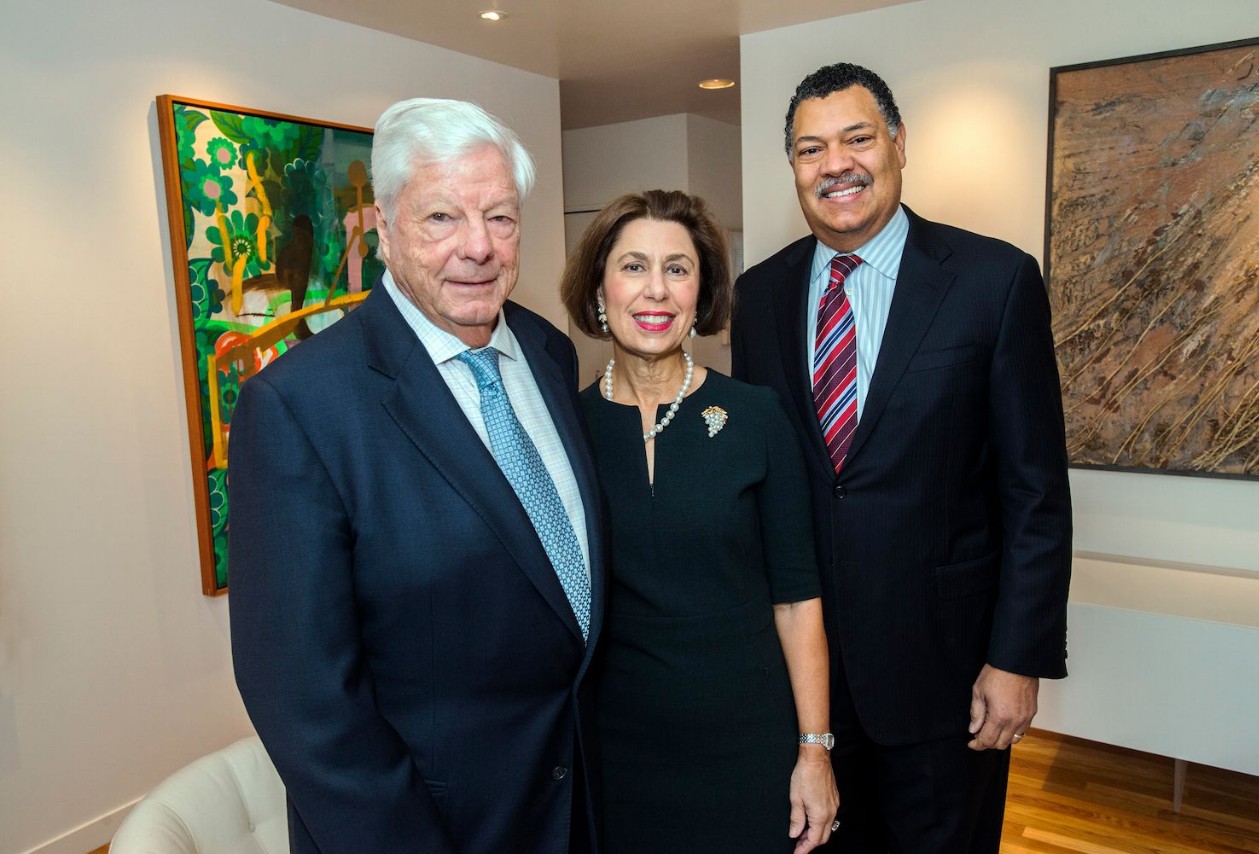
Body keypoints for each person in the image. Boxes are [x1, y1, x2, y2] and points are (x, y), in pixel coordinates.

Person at [229, 98, 606, 853]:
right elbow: (307, 706)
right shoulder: (298, 406)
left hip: (578, 810)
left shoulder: (547, 352)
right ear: (384, 226)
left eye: (500, 217)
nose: (479, 247)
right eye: (442, 218)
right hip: (431, 829)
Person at [731, 64, 1073, 853]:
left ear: (899, 144)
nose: (836, 164)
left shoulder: (994, 282)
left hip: (948, 683)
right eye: (811, 149)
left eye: (857, 138)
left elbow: (1036, 494)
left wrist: (1016, 659)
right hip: (809, 691)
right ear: (794, 168)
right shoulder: (760, 297)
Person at [561, 189, 839, 854]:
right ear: (599, 288)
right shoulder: (564, 428)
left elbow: (799, 604)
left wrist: (815, 751)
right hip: (615, 750)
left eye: (677, 269)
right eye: (633, 267)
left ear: (701, 291)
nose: (655, 291)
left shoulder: (756, 418)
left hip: (747, 745)